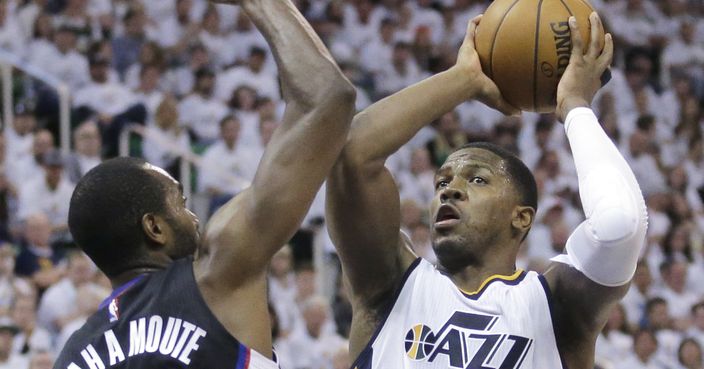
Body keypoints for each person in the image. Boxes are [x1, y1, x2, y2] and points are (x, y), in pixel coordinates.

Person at [326, 13, 647, 369]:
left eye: (477, 179)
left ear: (522, 218)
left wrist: (575, 106)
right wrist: (462, 79)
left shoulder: (556, 306)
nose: (450, 191)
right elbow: (353, 156)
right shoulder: (390, 287)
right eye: (442, 182)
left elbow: (619, 225)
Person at [53, 0, 355, 368]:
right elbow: (328, 98)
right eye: (179, 202)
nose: (194, 217)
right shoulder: (219, 275)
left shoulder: (74, 355)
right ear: (155, 228)